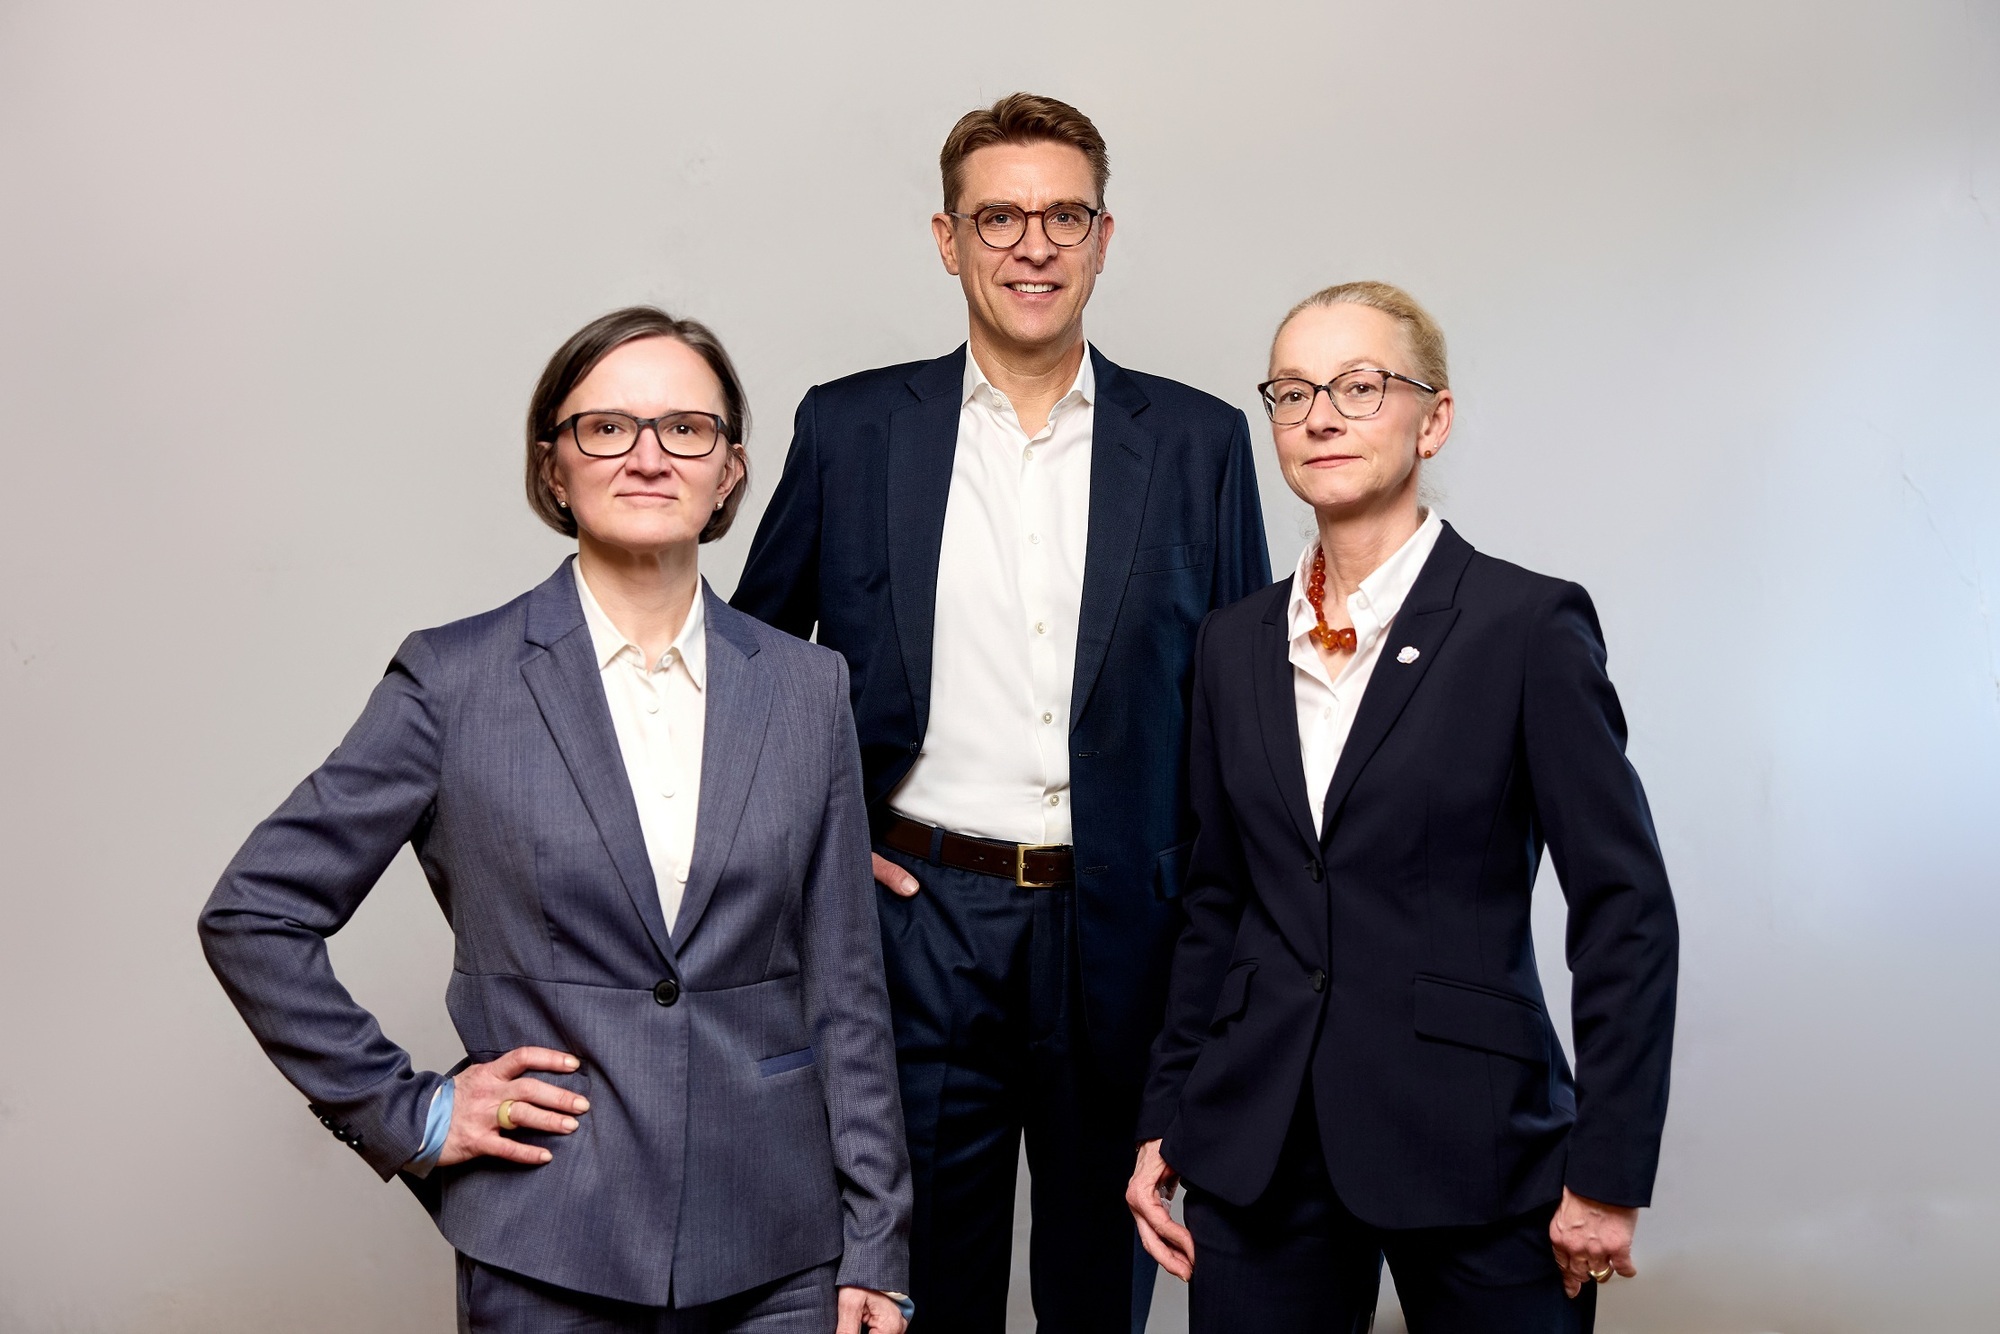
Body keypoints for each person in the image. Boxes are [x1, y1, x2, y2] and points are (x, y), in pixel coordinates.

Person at [199, 307, 911, 1334]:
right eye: (606, 426)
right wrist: (411, 1113)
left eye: (686, 428)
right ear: (553, 467)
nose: (648, 454)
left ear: (730, 472)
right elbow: (253, 914)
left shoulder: (805, 688)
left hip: (781, 1249)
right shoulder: (452, 680)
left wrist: (878, 1243)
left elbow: (846, 987)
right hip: (546, 1240)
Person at [731, 94, 1269, 1333]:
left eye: (1061, 215)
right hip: (914, 916)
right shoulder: (852, 427)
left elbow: (1241, 709)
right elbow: (750, 667)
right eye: (999, 217)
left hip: (1123, 920)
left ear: (1102, 234)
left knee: (1102, 1283)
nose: (1032, 244)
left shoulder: (1197, 442)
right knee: (918, 1282)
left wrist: (1217, 923)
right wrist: (826, 856)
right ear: (946, 237)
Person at [1126, 281, 1679, 1333]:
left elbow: (1623, 907)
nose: (1319, 415)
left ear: (1432, 418)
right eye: (1291, 393)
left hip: (1475, 1142)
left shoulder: (1525, 625)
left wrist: (1607, 1169)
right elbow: (1215, 900)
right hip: (1258, 1143)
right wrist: (1166, 1117)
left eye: (1357, 385)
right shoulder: (1231, 643)